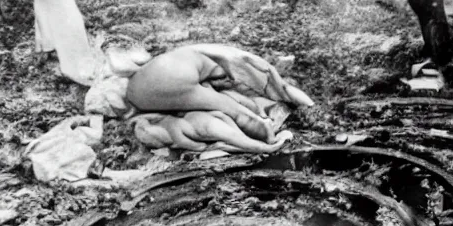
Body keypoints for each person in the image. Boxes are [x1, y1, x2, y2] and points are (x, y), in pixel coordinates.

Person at [126, 44, 313, 143]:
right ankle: (269, 137)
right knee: (232, 108)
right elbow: (233, 104)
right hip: (169, 77)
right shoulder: (234, 62)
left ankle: (265, 130)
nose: (228, 83)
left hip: (137, 92)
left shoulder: (195, 53)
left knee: (228, 105)